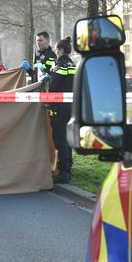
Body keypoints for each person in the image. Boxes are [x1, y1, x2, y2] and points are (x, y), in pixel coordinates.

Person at [47, 37, 76, 184]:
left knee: (60, 138)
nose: (55, 52)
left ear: (61, 50)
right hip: (71, 106)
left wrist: (48, 77)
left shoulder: (59, 66)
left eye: (56, 49)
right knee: (68, 139)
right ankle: (69, 167)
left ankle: (64, 172)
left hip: (58, 107)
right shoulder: (73, 65)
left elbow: (52, 88)